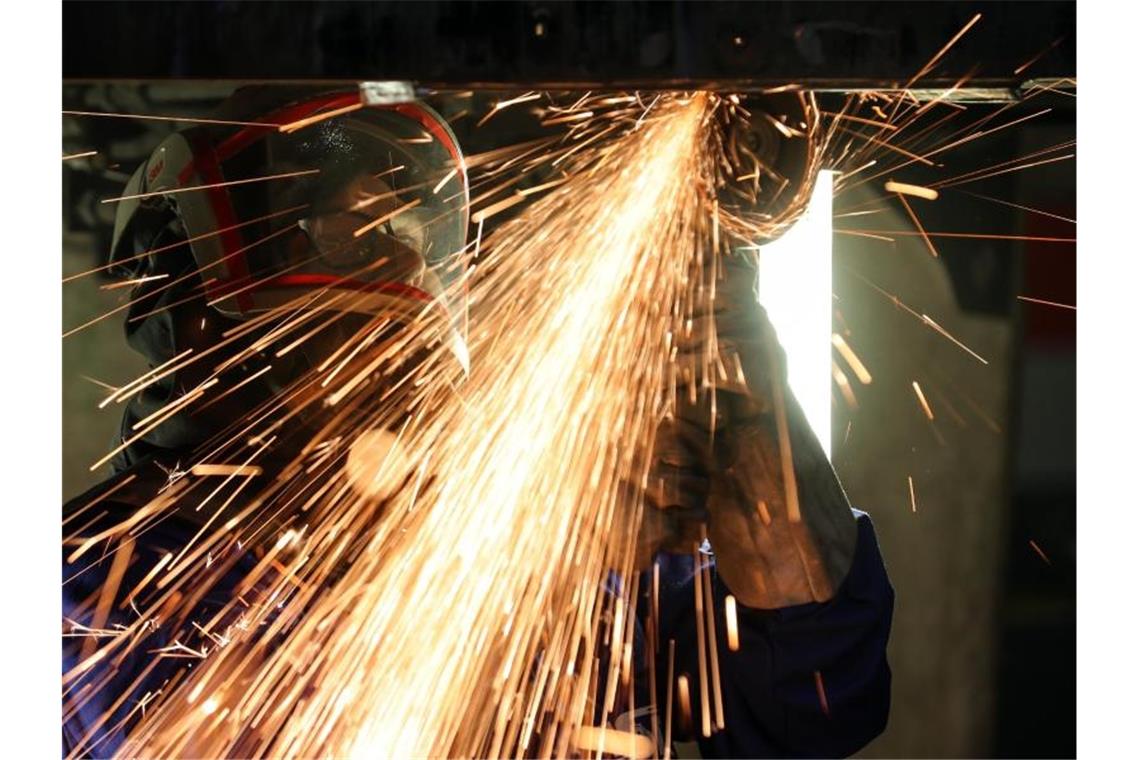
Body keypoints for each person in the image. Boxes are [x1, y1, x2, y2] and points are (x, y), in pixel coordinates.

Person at [62, 87, 892, 758]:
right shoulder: (88, 589)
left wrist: (740, 367)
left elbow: (816, 700)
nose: (385, 241)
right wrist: (526, 595)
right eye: (329, 222)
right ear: (196, 321)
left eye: (398, 222)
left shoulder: (561, 552)